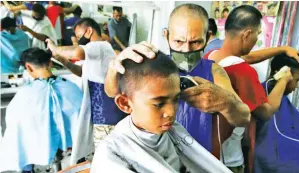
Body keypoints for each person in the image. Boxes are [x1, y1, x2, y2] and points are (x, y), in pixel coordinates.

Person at [105, 3, 251, 161]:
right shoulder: (155, 67)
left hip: (198, 158)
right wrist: (115, 66)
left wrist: (226, 103)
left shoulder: (214, 71)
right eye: (178, 42)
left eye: (195, 42)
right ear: (166, 35)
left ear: (208, 37)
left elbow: (244, 117)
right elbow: (112, 91)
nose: (186, 50)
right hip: (158, 157)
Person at [91, 52, 232, 173]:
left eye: (176, 99)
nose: (171, 112)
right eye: (159, 104)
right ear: (125, 103)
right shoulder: (112, 154)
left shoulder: (173, 131)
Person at [207, 5, 299, 173]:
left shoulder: (212, 55)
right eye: (257, 34)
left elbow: (247, 57)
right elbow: (266, 112)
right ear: (246, 35)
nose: (256, 39)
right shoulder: (243, 72)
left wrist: (282, 49)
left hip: (205, 147)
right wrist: (285, 78)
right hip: (227, 159)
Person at [46, 17, 126, 164]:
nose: (77, 40)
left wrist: (54, 47)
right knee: (104, 153)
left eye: (78, 36)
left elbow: (76, 53)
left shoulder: (100, 45)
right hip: (100, 113)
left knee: (108, 157)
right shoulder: (96, 52)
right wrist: (63, 60)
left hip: (106, 113)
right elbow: (82, 72)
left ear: (89, 31)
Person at [0, 48, 83, 172]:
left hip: (37, 147)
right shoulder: (71, 88)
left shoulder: (24, 95)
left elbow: (15, 127)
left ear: (28, 67)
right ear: (50, 63)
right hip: (71, 147)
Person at [255, 54, 299, 173]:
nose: (296, 86)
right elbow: (276, 134)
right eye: (297, 80)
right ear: (282, 73)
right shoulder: (265, 94)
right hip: (273, 151)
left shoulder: (280, 96)